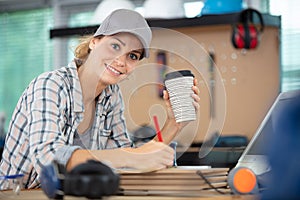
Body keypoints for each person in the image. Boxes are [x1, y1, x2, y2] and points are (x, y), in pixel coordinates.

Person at [0, 9, 200, 189]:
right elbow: (48, 159)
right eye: (115, 46)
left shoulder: (111, 97)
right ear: (94, 42)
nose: (121, 61)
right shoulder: (49, 85)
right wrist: (132, 157)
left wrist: (173, 125)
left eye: (132, 56)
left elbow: (126, 163)